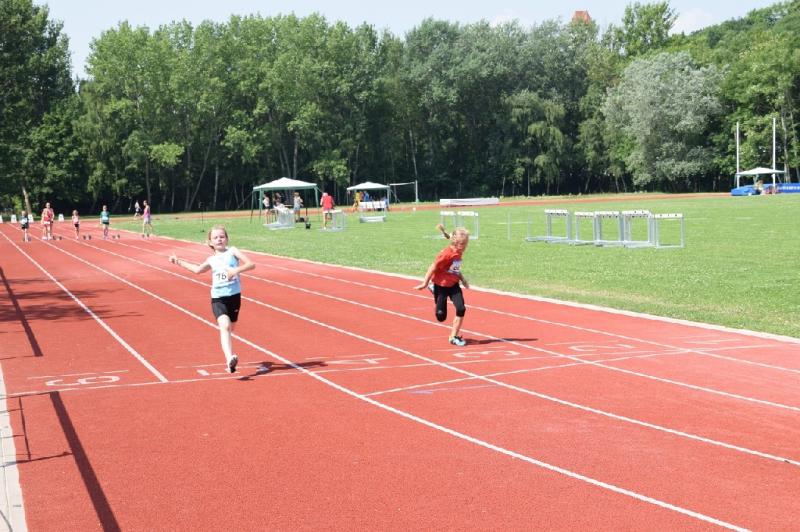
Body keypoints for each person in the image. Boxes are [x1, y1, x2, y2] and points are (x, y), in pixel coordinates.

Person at [169, 225, 255, 373]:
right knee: (225, 326)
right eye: (215, 238)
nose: (219, 239)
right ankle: (229, 360)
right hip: (218, 298)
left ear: (227, 239)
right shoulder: (211, 260)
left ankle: (229, 353)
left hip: (234, 297)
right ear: (210, 242)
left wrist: (235, 270)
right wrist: (178, 261)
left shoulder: (233, 251)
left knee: (231, 327)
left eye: (222, 236)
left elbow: (251, 264)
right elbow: (197, 270)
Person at [414, 226, 471, 346]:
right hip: (441, 286)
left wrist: (463, 280)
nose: (465, 246)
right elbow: (433, 267)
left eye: (466, 243)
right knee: (441, 316)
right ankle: (432, 288)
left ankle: (453, 337)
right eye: (463, 244)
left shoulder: (458, 250)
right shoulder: (446, 254)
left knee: (461, 308)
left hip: (454, 285)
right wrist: (425, 283)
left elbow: (455, 268)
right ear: (456, 242)